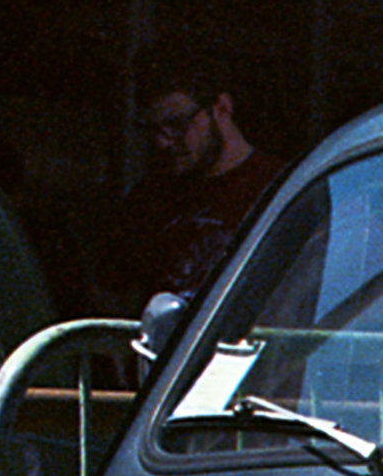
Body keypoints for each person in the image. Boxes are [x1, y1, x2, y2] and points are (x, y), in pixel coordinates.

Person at [103, 51, 276, 313]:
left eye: (177, 124)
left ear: (221, 108)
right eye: (153, 130)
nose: (163, 141)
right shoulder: (150, 198)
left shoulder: (275, 189)